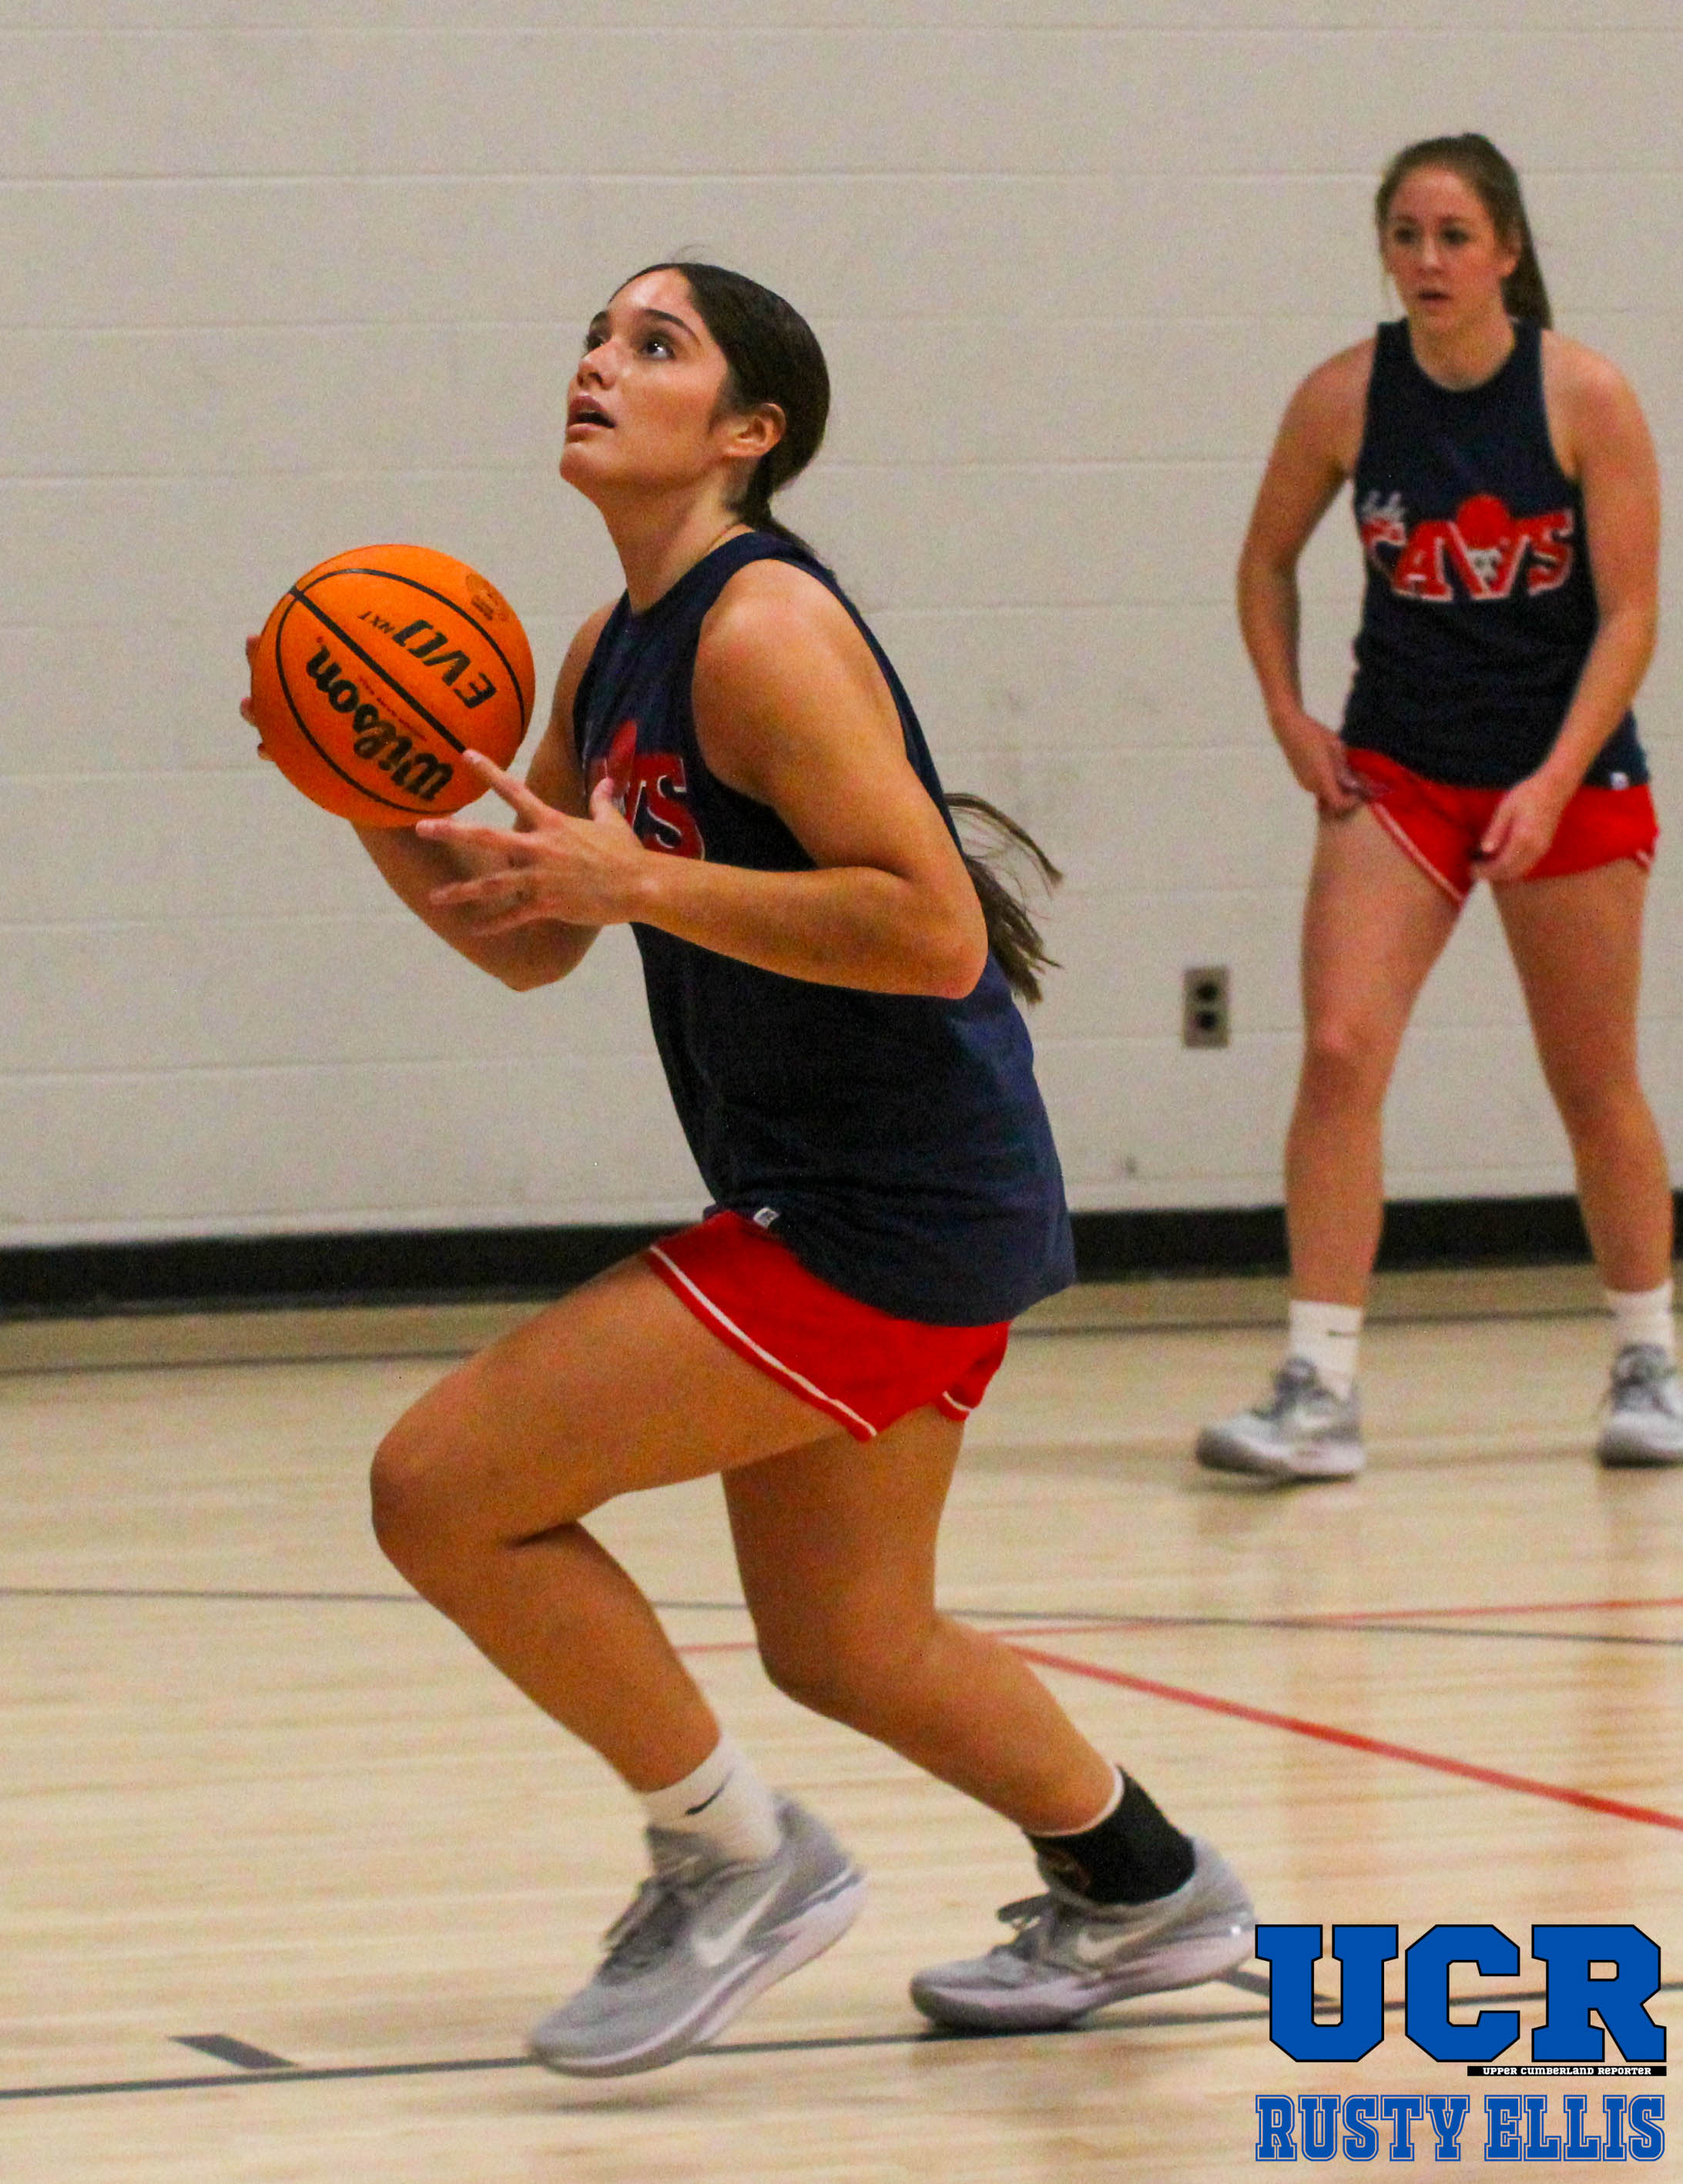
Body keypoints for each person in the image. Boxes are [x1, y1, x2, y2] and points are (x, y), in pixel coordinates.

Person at [246, 261, 1252, 2073]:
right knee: (851, 1640)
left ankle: (731, 1855)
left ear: (747, 430)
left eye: (656, 344)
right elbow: (531, 933)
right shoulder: (608, 645)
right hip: (875, 1194)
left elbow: (931, 929)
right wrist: (367, 796)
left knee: (438, 1488)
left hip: (885, 1208)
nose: (597, 360)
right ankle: (1148, 1884)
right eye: (594, 333)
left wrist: (640, 878)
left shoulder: (759, 629)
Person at [1197, 134, 1679, 1483]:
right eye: (1404, 235)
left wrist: (1553, 778)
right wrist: (1289, 716)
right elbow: (1263, 564)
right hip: (1399, 768)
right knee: (1339, 1050)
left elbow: (1630, 615)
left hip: (1562, 768)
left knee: (1592, 1081)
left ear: (1507, 250)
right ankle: (1317, 1384)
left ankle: (1646, 1359)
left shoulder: (1583, 395)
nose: (1426, 259)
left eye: (1453, 235)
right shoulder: (1343, 396)